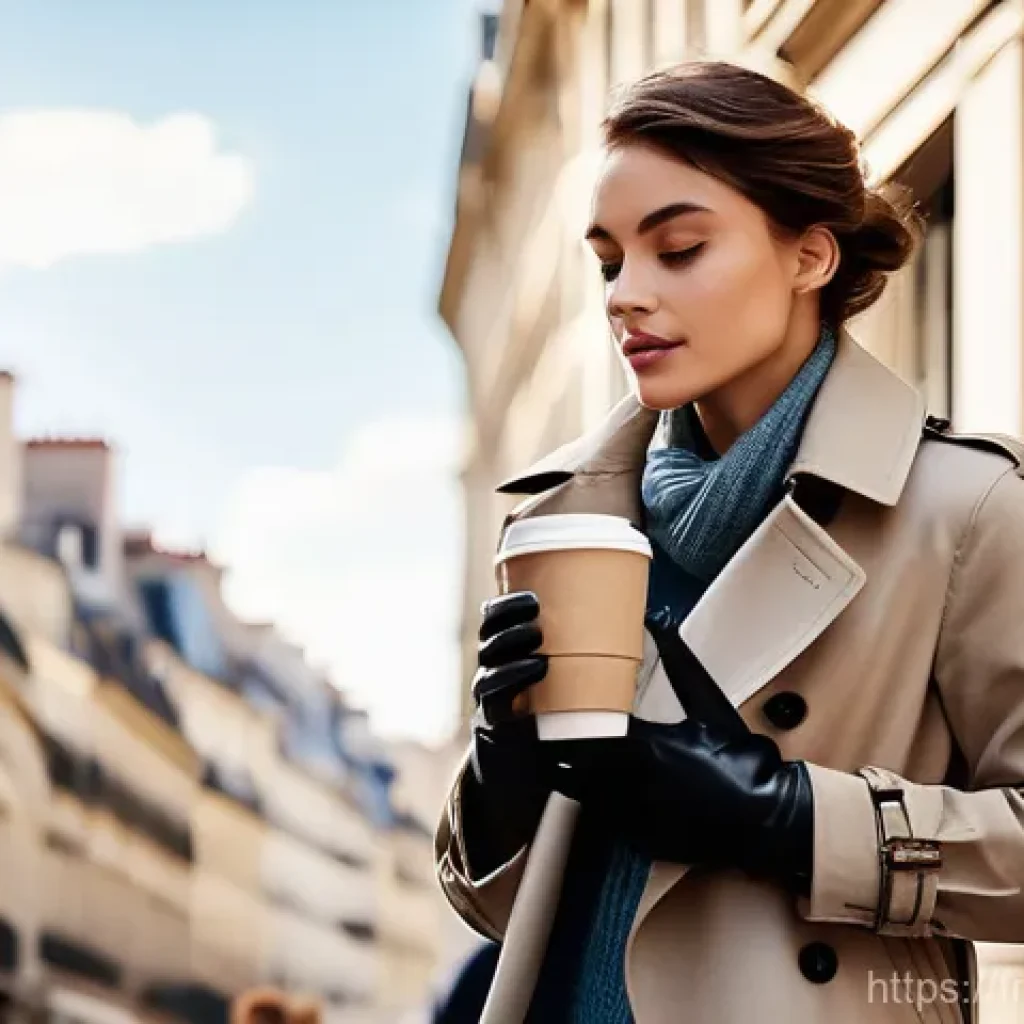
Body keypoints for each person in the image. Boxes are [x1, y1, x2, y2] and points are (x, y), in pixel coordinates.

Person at [433, 60, 1024, 1023]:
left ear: (811, 257)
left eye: (679, 249)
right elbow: (498, 912)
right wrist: (503, 775)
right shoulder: (564, 521)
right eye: (610, 261)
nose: (625, 295)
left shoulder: (961, 511)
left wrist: (789, 818)